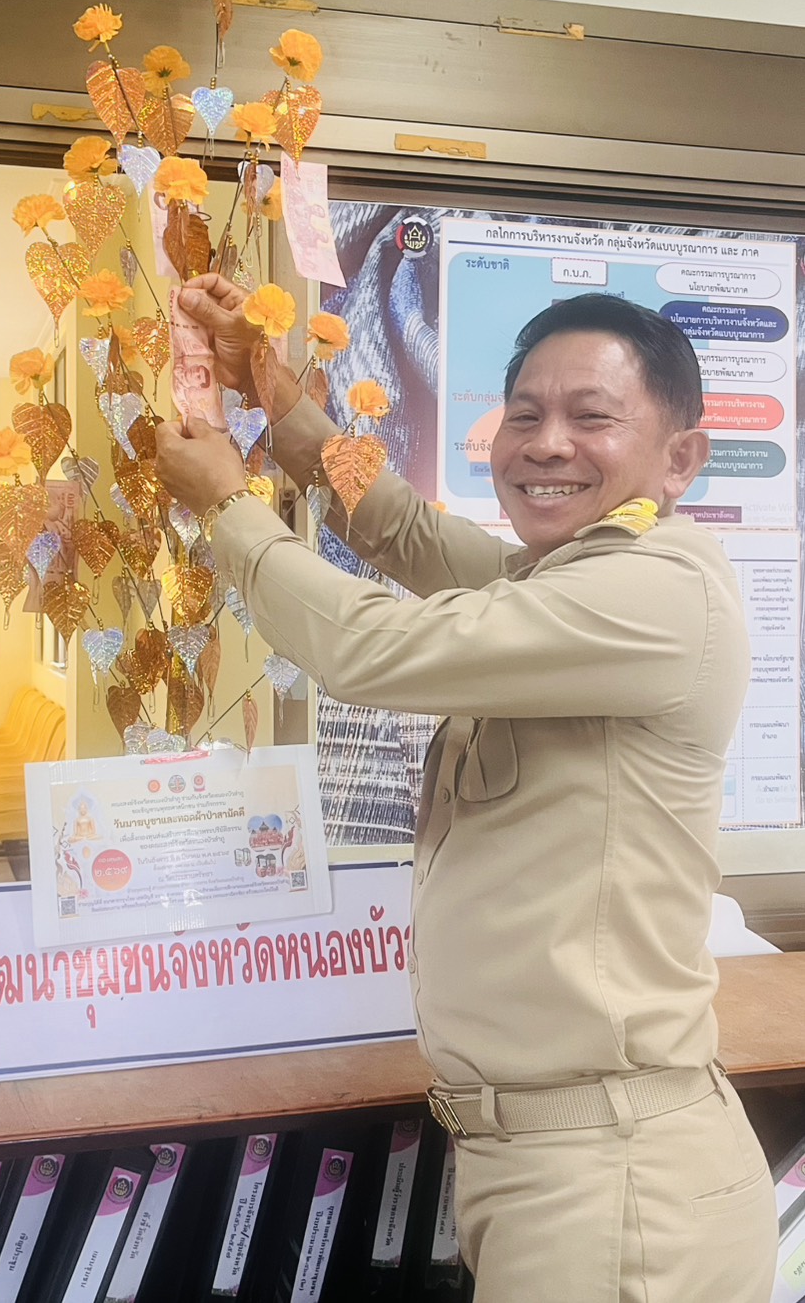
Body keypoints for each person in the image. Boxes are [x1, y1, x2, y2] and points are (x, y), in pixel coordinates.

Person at [154, 276, 777, 1303]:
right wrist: (279, 402)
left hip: (616, 1182)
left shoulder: (655, 590)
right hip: (549, 1163)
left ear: (681, 457)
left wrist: (229, 505)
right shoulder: (567, 577)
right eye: (524, 413)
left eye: (592, 417)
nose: (545, 442)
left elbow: (369, 645)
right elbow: (409, 537)